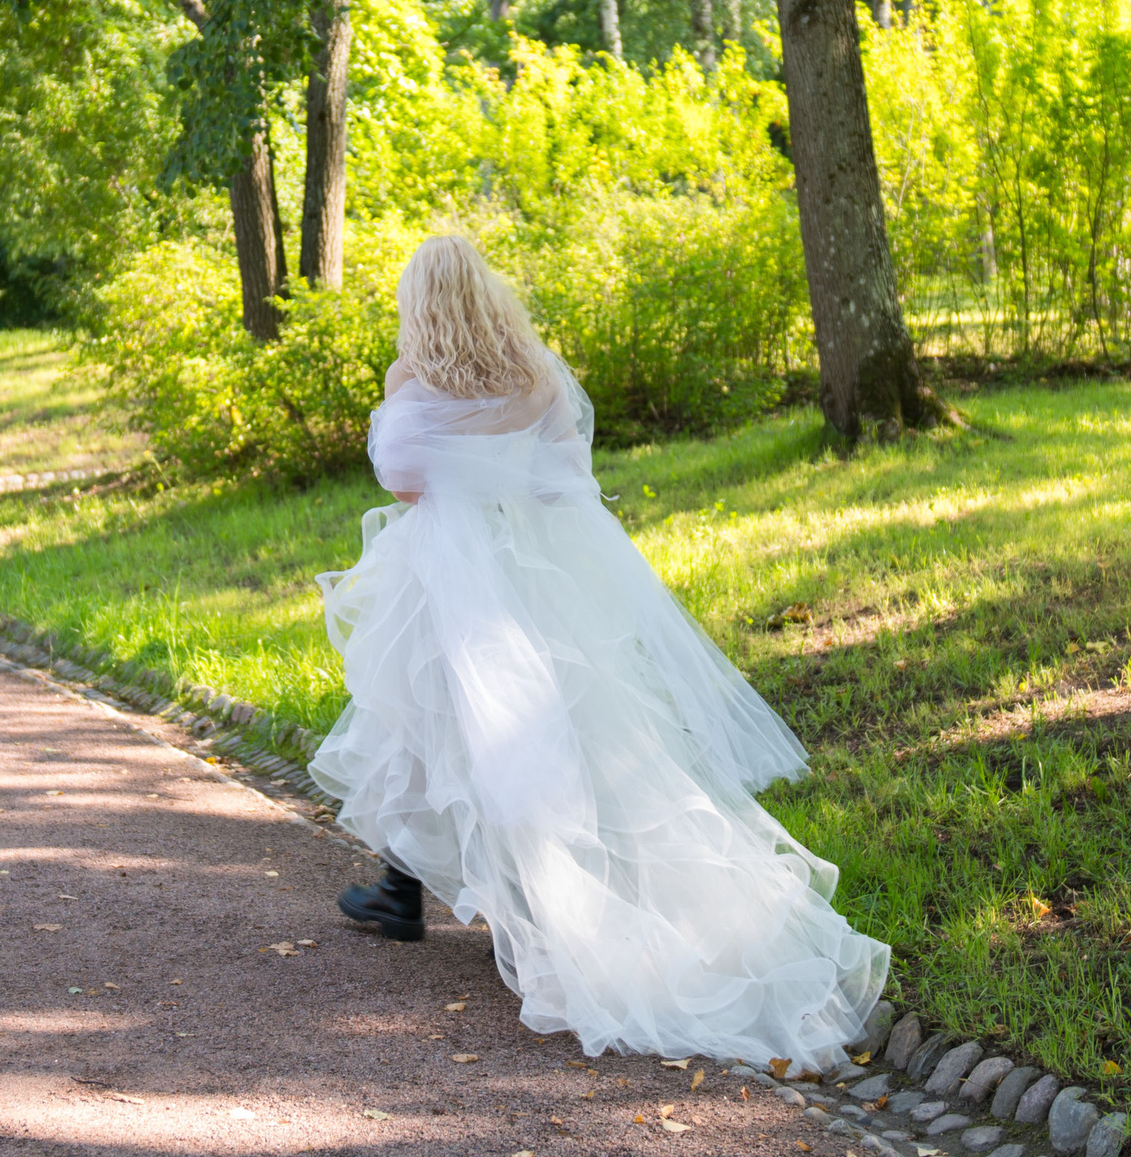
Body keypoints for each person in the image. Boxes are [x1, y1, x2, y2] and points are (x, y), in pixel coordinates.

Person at [315, 235, 889, 1069]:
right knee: (541, 731)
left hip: (448, 574)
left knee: (432, 716)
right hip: (535, 568)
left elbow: (399, 479)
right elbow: (561, 481)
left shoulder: (414, 384)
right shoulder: (538, 374)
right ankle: (435, 890)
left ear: (419, 306)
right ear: (485, 292)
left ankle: (437, 894)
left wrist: (422, 411)